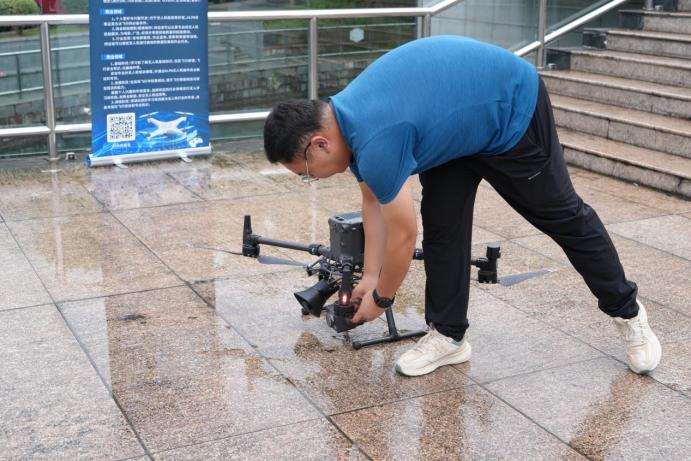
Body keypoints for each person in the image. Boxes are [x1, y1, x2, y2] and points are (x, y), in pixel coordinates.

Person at [262, 35, 662, 377]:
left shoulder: (374, 140)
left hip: (508, 108)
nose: (313, 179)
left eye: (306, 173)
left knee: (561, 215)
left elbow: (402, 236)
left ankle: (628, 313)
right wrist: (369, 276)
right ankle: (448, 335)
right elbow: (374, 200)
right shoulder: (344, 123)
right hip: (454, 130)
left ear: (319, 144)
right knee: (443, 228)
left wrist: (382, 298)